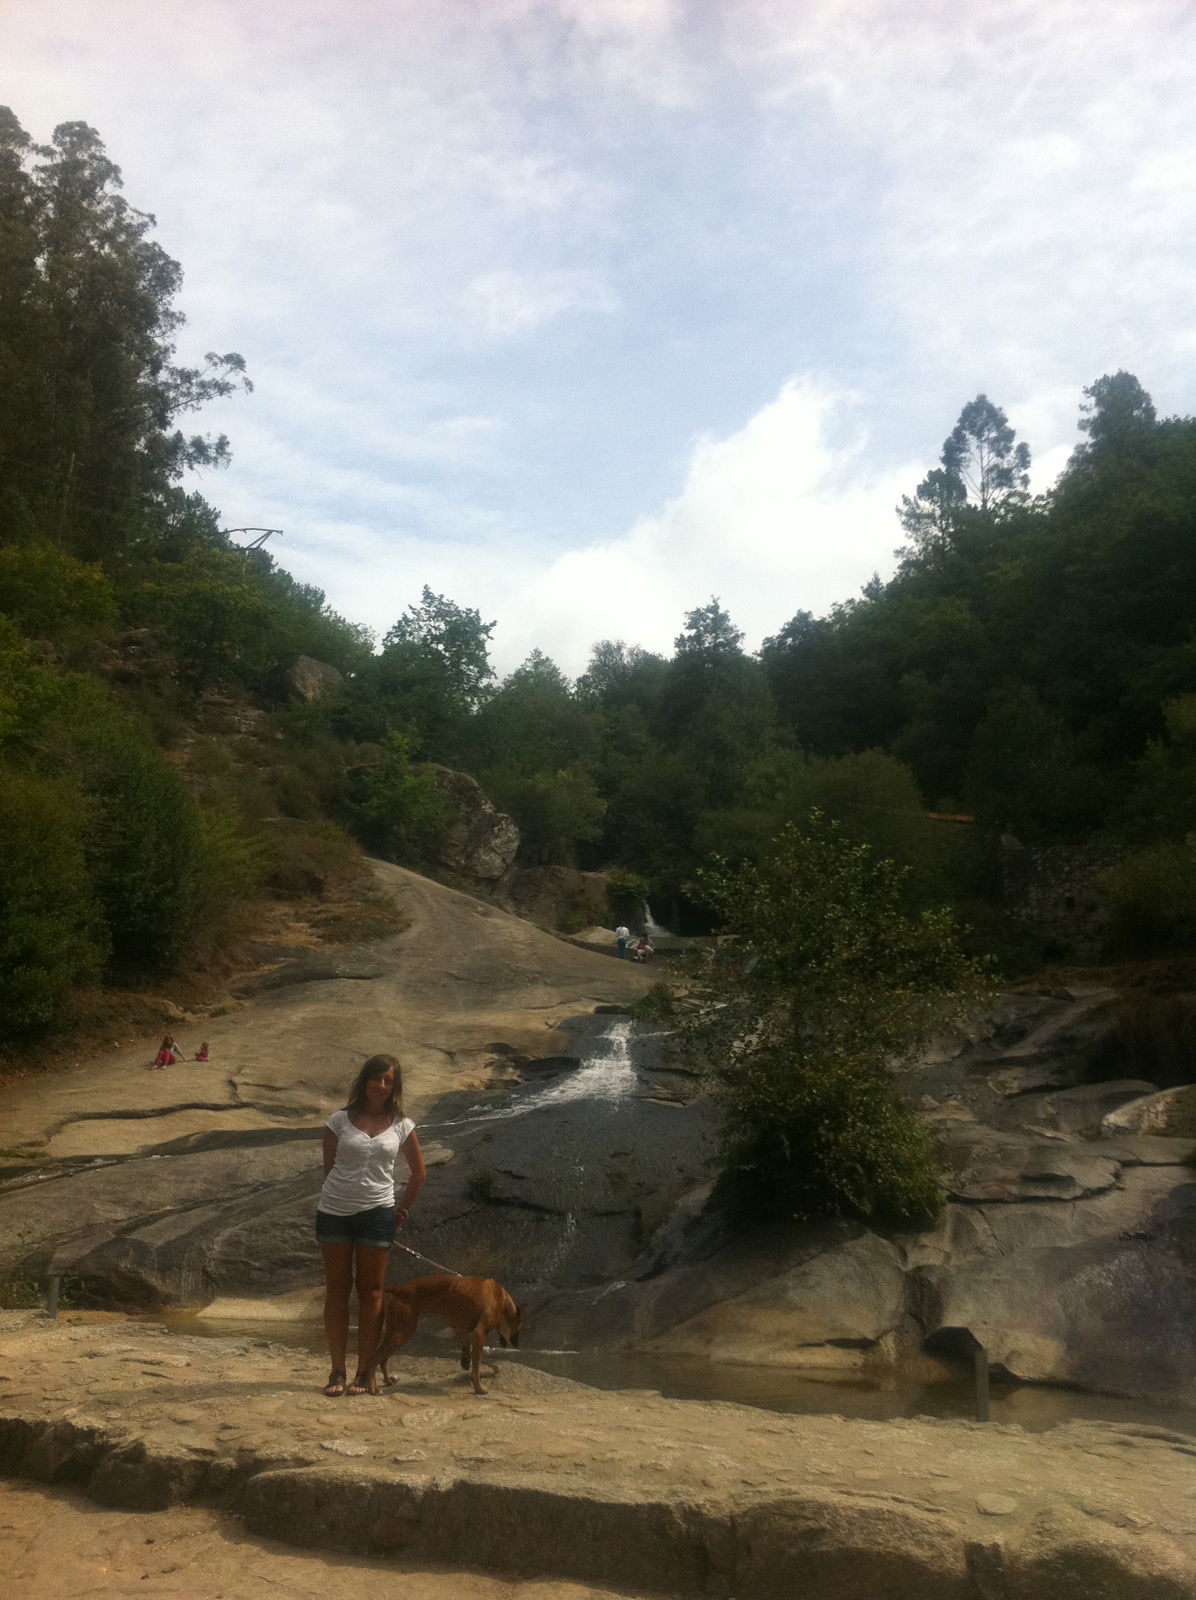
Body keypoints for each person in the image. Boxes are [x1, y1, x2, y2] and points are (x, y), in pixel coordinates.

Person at [316, 1052, 425, 1397]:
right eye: (376, 1078)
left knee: (372, 1293)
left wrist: (400, 1212)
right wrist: (344, 1194)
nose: (381, 1086)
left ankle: (364, 1372)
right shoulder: (338, 1121)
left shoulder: (402, 1125)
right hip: (334, 1211)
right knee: (336, 1290)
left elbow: (419, 1174)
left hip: (378, 1213)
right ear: (364, 1081)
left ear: (395, 1086)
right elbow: (328, 1167)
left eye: (388, 1080)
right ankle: (336, 1371)